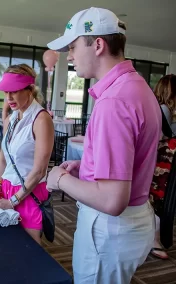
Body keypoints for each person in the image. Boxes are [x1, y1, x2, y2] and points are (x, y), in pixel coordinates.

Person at [46, 7, 161, 283]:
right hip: (133, 221)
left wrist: (59, 179)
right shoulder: (136, 86)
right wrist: (86, 167)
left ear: (97, 45)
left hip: (110, 229)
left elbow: (112, 200)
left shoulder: (113, 101)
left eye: (72, 47)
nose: (70, 56)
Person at [0, 64, 54, 244]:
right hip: (6, 189)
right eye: (5, 92)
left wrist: (12, 201)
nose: (8, 97)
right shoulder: (11, 119)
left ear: (30, 89)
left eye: (14, 91)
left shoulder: (41, 120)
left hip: (28, 192)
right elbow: (3, 159)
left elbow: (39, 171)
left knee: (30, 251)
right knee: (5, 246)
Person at [150, 74, 176, 259]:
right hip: (166, 164)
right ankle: (155, 239)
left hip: (164, 164)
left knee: (159, 201)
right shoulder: (165, 111)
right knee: (162, 202)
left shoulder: (163, 110)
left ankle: (156, 239)